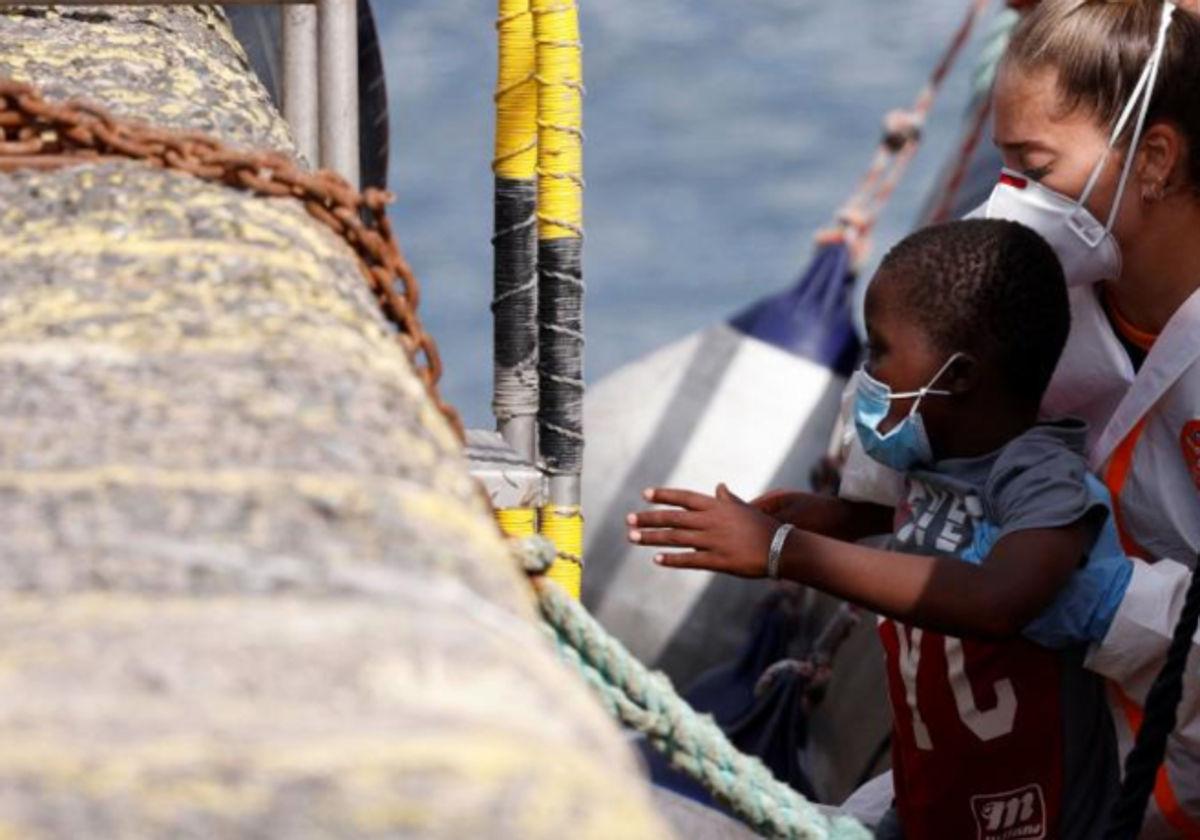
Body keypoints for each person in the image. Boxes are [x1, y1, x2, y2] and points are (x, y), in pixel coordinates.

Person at [628, 219, 1125, 840]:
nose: (868, 373)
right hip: (925, 813)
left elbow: (1001, 597)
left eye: (880, 350)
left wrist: (786, 551)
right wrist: (844, 518)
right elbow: (940, 523)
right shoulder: (932, 459)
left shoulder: (1044, 477)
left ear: (958, 376)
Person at [832, 1, 1200, 833]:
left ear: (1156, 159)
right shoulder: (1024, 296)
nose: (1011, 203)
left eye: (1036, 167)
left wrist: (1115, 609)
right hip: (1025, 770)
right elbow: (882, 460)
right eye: (1006, 168)